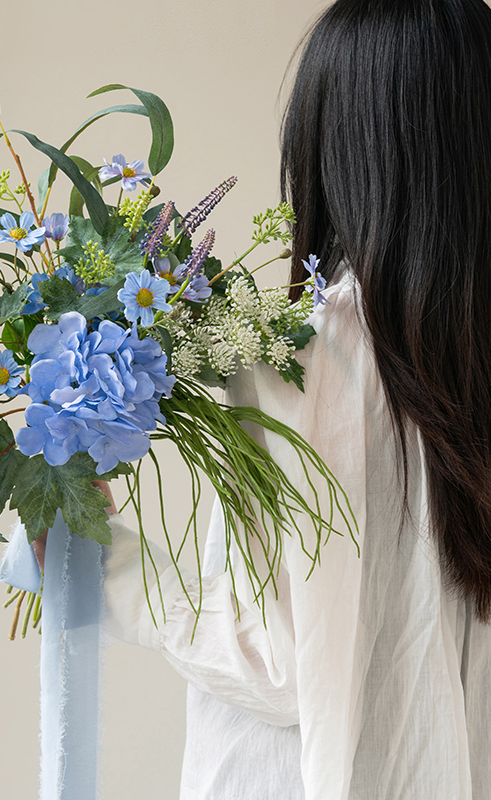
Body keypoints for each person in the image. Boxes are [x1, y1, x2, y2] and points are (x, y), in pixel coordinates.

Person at [36, 1, 491, 797]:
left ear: (335, 145)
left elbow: (276, 659)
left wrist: (100, 559)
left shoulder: (317, 353)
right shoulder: (466, 362)